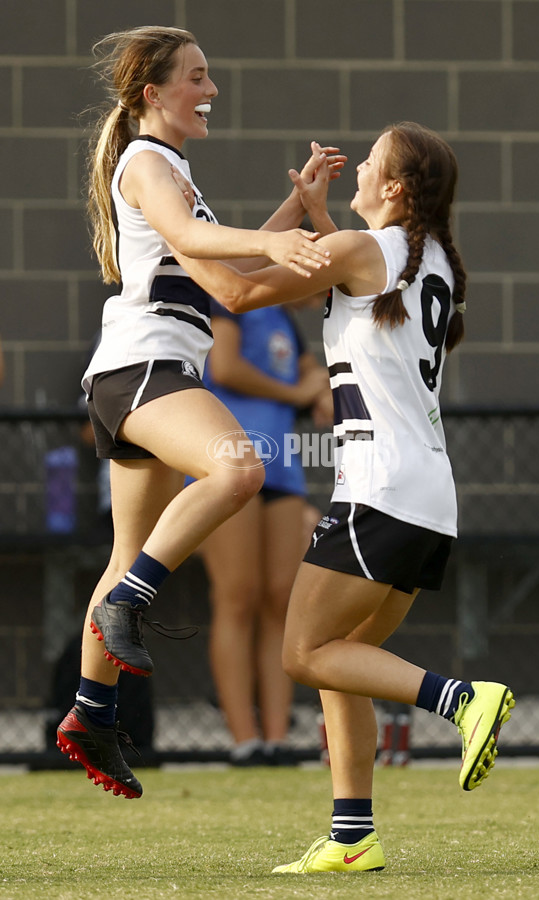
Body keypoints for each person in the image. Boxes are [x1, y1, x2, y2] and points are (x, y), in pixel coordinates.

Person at [169, 121, 516, 873]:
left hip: (378, 489)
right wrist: (317, 217)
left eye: (371, 160)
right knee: (343, 657)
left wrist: (177, 231)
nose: (357, 164)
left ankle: (461, 700)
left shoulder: (366, 251)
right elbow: (361, 287)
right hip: (428, 497)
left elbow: (238, 290)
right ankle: (353, 835)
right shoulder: (430, 264)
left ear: (394, 188)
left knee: (305, 652)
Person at [55, 25, 344, 800]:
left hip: (136, 374)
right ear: (154, 93)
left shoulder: (172, 166)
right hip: (142, 368)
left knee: (126, 553)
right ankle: (131, 603)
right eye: (198, 77)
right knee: (239, 467)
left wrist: (295, 208)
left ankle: (89, 712)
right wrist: (275, 244)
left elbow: (232, 270)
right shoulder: (148, 162)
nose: (211, 90)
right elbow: (193, 239)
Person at [196, 299, 331, 766]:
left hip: (284, 473)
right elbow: (226, 367)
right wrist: (295, 393)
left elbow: (317, 378)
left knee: (280, 599)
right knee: (238, 595)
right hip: (230, 465)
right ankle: (243, 740)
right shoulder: (229, 303)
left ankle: (276, 740)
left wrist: (319, 391)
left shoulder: (287, 323)